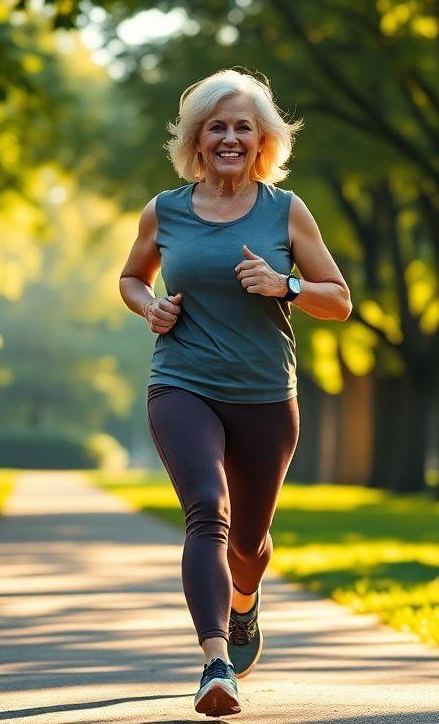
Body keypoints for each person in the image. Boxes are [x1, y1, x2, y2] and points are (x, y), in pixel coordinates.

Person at [118, 68, 351, 717]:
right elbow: (132, 278)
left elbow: (340, 301)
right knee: (206, 511)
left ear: (262, 141)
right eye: (216, 126)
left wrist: (288, 286)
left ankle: (244, 604)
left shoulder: (287, 210)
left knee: (249, 543)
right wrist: (150, 308)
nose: (228, 137)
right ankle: (216, 663)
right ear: (197, 138)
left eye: (241, 127)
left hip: (265, 394)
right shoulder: (164, 209)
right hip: (182, 382)